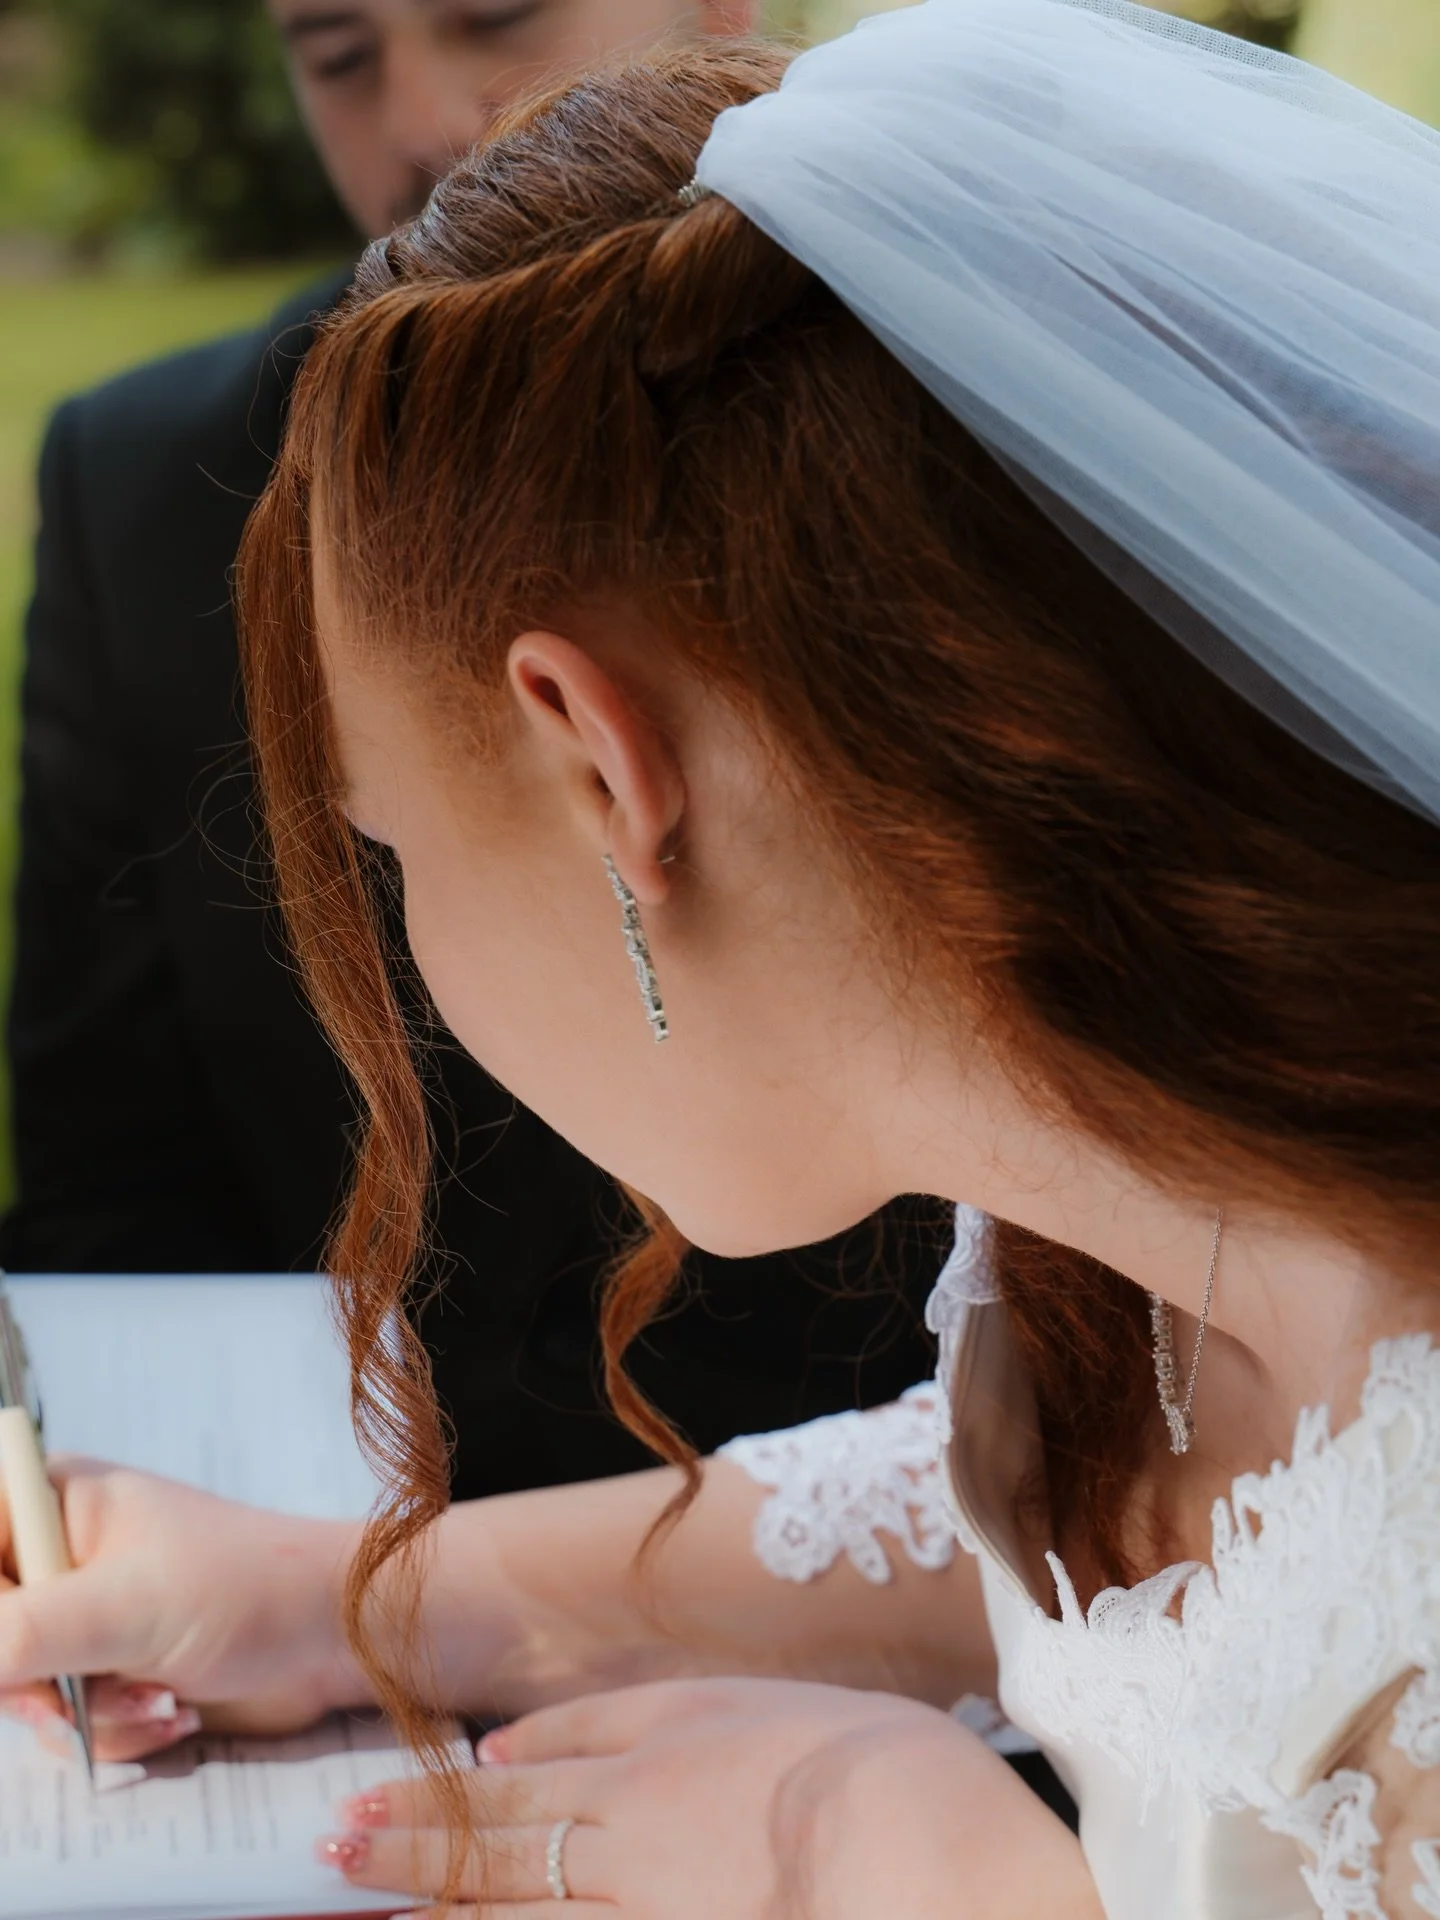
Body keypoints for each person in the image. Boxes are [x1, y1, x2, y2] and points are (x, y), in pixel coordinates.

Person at [3, 1, 1439, 1915]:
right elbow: (1117, 1531)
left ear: (602, 764)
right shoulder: (1152, 1181)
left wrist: (891, 1856)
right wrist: (343, 1605)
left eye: (395, 853)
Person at [0, 0, 949, 1503]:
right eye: (337, 57)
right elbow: (113, 1188)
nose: (434, 116)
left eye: (497, 12)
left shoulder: (957, 438)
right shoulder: (149, 494)